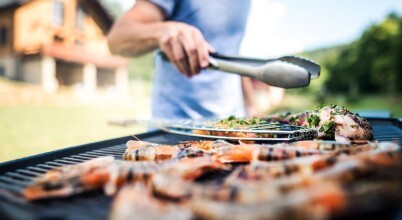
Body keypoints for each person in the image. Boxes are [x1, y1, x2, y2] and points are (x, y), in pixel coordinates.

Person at [107, 0, 256, 119]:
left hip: (231, 125)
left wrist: (251, 107)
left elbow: (231, 50)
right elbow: (117, 38)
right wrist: (164, 30)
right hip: (175, 128)